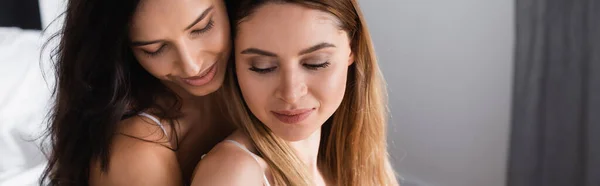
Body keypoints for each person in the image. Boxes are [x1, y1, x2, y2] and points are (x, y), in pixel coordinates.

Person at [192, 0, 399, 185]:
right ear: (234, 63)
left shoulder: (355, 159)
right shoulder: (234, 174)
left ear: (351, 49)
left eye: (315, 63)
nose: (290, 94)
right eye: (262, 67)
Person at [40, 0, 236, 185]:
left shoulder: (251, 65)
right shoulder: (135, 151)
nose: (191, 66)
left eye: (203, 27)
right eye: (155, 49)